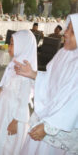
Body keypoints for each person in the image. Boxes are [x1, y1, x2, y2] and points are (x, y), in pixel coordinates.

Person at [14, 13, 78, 155]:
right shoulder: (64, 53)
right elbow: (51, 79)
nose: (65, 33)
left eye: (72, 31)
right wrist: (32, 73)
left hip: (57, 128)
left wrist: (48, 127)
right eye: (67, 28)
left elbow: (73, 103)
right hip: (46, 118)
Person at [0, 30, 37, 155]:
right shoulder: (14, 64)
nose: (9, 46)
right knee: (0, 137)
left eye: (12, 44)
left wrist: (15, 121)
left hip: (14, 115)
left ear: (23, 46)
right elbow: (8, 84)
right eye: (10, 43)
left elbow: (23, 101)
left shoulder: (26, 72)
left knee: (9, 143)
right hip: (4, 109)